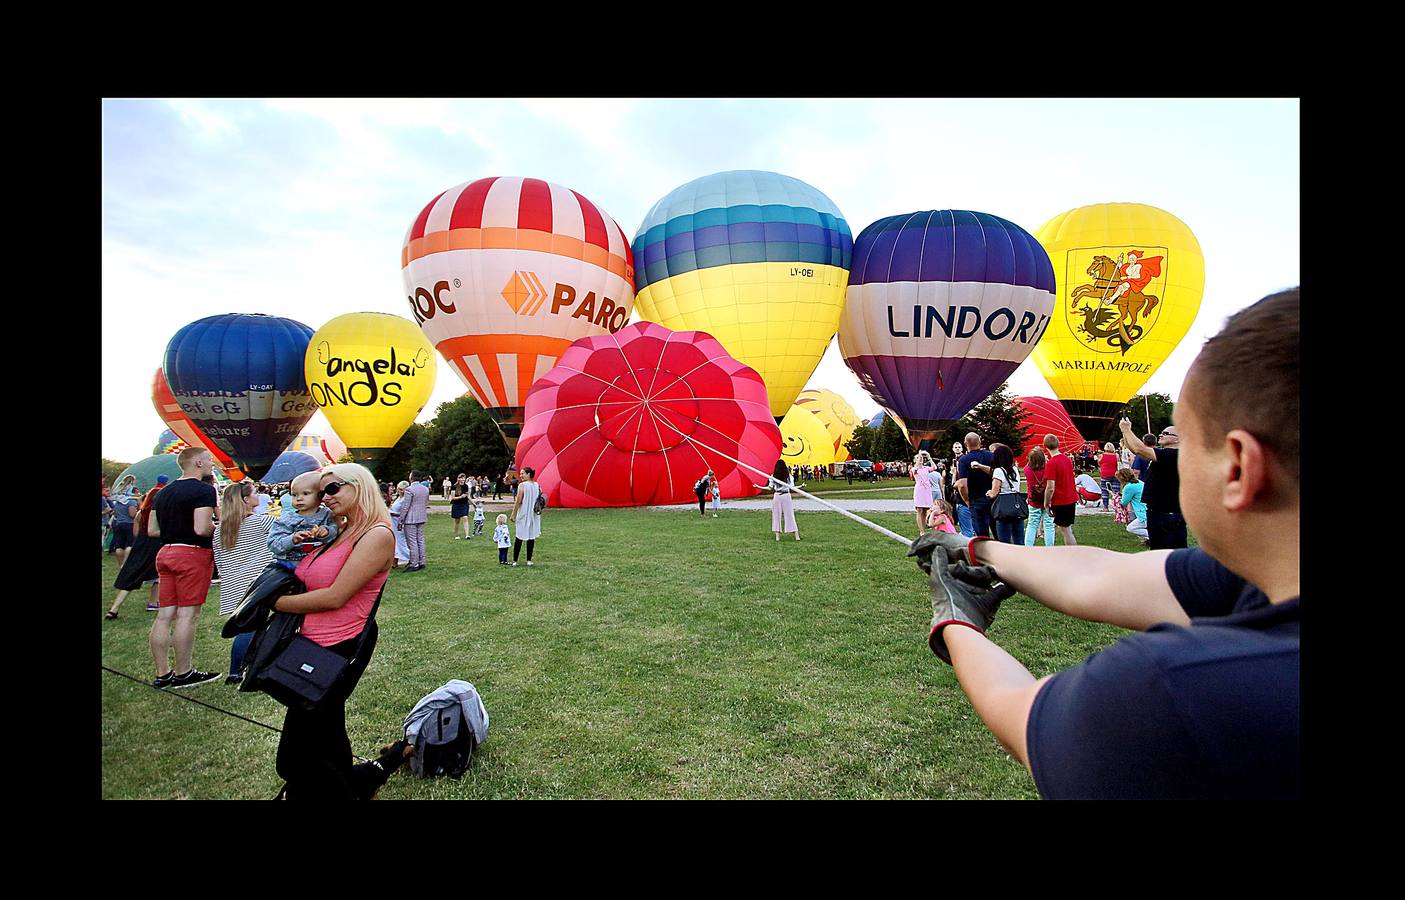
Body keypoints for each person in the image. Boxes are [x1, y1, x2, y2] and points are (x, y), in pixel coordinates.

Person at [907, 287, 1299, 798]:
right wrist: (978, 549)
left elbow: (1020, 711)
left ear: (1239, 467)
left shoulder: (1174, 688)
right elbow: (1100, 576)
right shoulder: (1255, 581)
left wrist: (954, 620)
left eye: (1183, 441)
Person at [268, 463, 410, 799]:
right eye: (321, 491)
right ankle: (380, 768)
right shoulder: (338, 529)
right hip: (311, 643)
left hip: (341, 645)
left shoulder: (377, 534)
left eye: (333, 489)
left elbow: (336, 596)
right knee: (326, 737)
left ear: (359, 487)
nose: (324, 497)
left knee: (295, 758)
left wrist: (275, 603)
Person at [145, 448, 221, 689]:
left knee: (165, 615)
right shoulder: (204, 490)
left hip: (165, 552)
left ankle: (162, 673)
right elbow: (202, 528)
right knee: (187, 615)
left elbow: (152, 530)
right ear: (198, 462)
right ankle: (184, 672)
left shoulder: (162, 493)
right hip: (191, 554)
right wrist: (218, 528)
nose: (212, 464)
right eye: (209, 460)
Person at [212, 481, 275, 684]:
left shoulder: (220, 529)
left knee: (248, 627)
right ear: (246, 499)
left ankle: (244, 668)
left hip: (234, 583)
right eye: (255, 492)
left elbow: (220, 561)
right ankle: (237, 671)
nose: (258, 495)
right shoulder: (261, 522)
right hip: (258, 582)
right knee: (252, 628)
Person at [106, 476, 169, 619]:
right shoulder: (160, 506)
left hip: (142, 541)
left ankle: (114, 608)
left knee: (133, 573)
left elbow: (136, 524)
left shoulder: (144, 508)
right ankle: (153, 602)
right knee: (158, 573)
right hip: (155, 542)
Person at [1122, 419, 1189, 549]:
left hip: (1166, 513)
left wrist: (1127, 430)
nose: (1161, 435)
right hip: (1161, 511)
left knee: (1164, 551)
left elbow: (1138, 449)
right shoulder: (1166, 454)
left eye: (1166, 433)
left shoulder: (1173, 455)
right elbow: (1133, 449)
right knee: (1167, 549)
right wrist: (1124, 433)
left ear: (1177, 439)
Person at [267, 471, 339, 571]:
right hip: (289, 565)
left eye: (305, 493)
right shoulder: (287, 519)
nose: (299, 498)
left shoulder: (327, 514)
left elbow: (335, 533)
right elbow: (273, 544)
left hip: (318, 563)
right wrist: (292, 539)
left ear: (321, 495)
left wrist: (327, 532)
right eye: (294, 495)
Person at [956, 433, 994, 538]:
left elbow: (962, 484)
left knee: (982, 535)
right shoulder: (991, 455)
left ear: (965, 444)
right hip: (993, 497)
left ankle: (984, 553)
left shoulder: (963, 460)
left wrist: (967, 501)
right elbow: (997, 474)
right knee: (998, 532)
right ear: (980, 442)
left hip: (977, 499)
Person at [1043, 434, 1078, 546]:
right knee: (1067, 529)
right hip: (1070, 498)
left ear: (1046, 447)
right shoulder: (1066, 459)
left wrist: (1046, 503)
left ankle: (1073, 554)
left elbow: (1050, 488)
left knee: (1066, 531)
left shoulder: (1051, 463)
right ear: (1058, 444)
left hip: (1061, 500)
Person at [986, 443, 1024, 545]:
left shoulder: (998, 471)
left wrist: (988, 493)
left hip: (1004, 508)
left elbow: (994, 492)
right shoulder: (1015, 469)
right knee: (1019, 539)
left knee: (1004, 540)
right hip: (1016, 505)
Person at [1022, 448, 1055, 547]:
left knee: (1032, 524)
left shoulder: (1027, 470)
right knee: (1049, 524)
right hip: (1048, 499)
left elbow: (1027, 465)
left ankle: (1028, 547)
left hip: (1033, 500)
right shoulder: (1049, 468)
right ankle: (1049, 547)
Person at [510, 466, 543, 566]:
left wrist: (513, 514)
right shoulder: (537, 485)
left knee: (519, 536)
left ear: (528, 474)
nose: (521, 475)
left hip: (524, 513)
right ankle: (529, 560)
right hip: (534, 514)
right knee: (531, 537)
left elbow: (518, 501)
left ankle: (515, 560)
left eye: (522, 473)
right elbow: (540, 498)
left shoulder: (522, 485)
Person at [763, 459, 801, 541]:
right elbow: (770, 487)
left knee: (784, 515)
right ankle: (794, 536)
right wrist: (758, 487)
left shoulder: (787, 476)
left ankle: (783, 536)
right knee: (787, 514)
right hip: (783, 495)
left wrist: (800, 486)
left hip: (781, 495)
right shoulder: (774, 477)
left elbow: (770, 488)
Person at [401, 471, 430, 571]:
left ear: (411, 477)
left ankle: (414, 564)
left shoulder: (409, 489)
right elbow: (426, 502)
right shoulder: (425, 489)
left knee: (412, 541)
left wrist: (401, 520)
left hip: (411, 519)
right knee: (420, 540)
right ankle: (422, 561)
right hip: (421, 517)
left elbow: (406, 506)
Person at [109, 478, 140, 565]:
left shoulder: (118, 500)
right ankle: (125, 564)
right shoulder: (130, 501)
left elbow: (115, 513)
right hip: (129, 524)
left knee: (119, 546)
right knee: (130, 545)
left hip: (118, 524)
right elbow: (132, 514)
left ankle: (120, 564)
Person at [1116, 466, 1149, 541]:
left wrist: (1117, 498)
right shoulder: (1140, 482)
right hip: (1149, 509)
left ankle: (1152, 536)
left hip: (1143, 512)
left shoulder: (1128, 487)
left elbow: (1124, 502)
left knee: (1131, 528)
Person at [911, 451, 937, 535]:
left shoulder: (926, 468)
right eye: (918, 458)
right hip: (919, 490)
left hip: (927, 490)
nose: (921, 459)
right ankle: (921, 531)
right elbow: (917, 468)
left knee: (926, 510)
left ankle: (924, 526)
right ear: (915, 460)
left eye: (921, 458)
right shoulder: (914, 469)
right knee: (919, 509)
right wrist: (919, 454)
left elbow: (934, 467)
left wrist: (929, 457)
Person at [388, 481, 411, 569]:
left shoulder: (405, 499)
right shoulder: (398, 498)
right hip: (393, 522)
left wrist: (391, 512)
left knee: (401, 542)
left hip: (398, 522)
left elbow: (403, 512)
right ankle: (395, 561)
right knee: (395, 542)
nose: (400, 491)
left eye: (402, 490)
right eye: (399, 489)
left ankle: (411, 558)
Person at [1098, 443, 1120, 509]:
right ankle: (1117, 505)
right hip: (1115, 474)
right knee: (1116, 490)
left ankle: (1105, 507)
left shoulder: (1101, 455)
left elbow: (1099, 464)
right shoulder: (1116, 455)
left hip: (1105, 475)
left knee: (1104, 491)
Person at [450, 474, 471, 539]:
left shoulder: (466, 486)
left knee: (465, 517)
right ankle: (456, 535)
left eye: (463, 478)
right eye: (460, 478)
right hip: (456, 505)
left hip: (464, 504)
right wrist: (460, 497)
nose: (462, 480)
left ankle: (467, 535)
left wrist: (473, 504)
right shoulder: (454, 487)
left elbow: (468, 496)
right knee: (457, 521)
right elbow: (452, 498)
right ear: (458, 479)